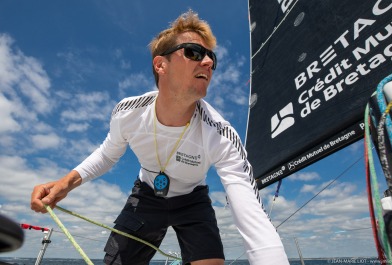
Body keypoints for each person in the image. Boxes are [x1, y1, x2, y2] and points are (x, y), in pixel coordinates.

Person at [30, 10, 289, 265]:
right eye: (194, 52)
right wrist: (65, 184)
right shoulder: (128, 113)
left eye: (212, 57)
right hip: (146, 195)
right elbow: (108, 154)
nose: (208, 62)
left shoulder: (221, 135)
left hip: (193, 200)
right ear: (160, 64)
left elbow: (252, 216)